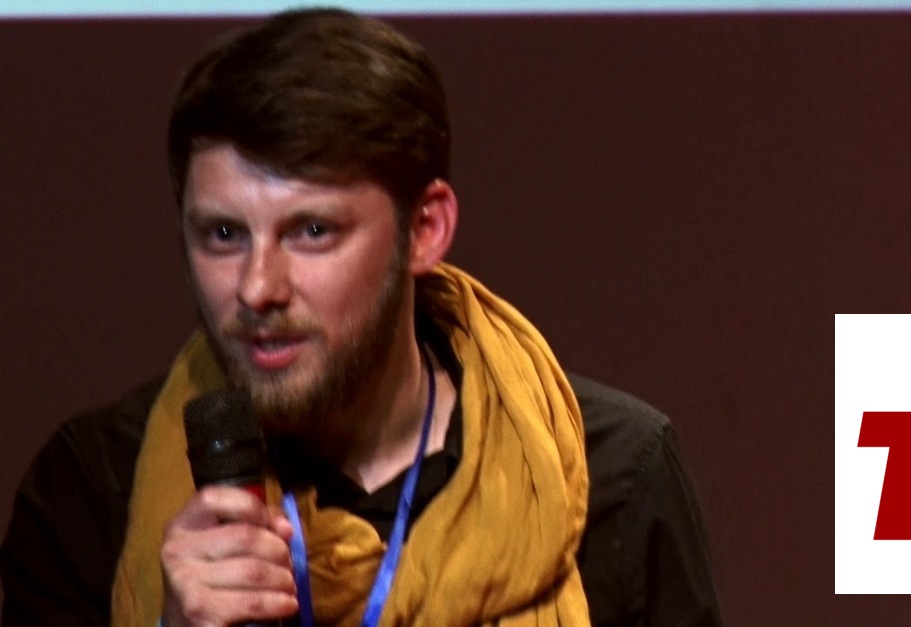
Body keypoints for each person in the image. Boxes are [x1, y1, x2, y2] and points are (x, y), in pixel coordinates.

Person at [0, 8, 721, 626]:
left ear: (425, 228)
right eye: (223, 234)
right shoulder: (93, 491)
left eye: (312, 231)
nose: (257, 287)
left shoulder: (612, 473)